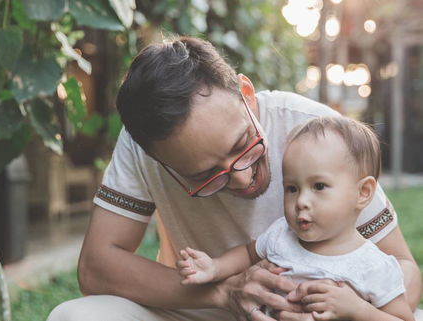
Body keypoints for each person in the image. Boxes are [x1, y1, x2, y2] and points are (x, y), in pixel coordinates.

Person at [47, 36, 422, 321]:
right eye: (206, 175)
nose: (243, 180)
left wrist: (347, 307)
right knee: (76, 316)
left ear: (245, 93)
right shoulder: (142, 145)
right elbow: (96, 267)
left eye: (245, 144)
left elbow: (406, 272)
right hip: (198, 311)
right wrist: (223, 293)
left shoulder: (319, 136)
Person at [176, 116, 414, 321]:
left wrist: (357, 308)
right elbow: (248, 253)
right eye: (292, 188)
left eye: (319, 186)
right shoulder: (281, 235)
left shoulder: (373, 266)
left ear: (363, 193)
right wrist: (215, 267)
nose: (301, 201)